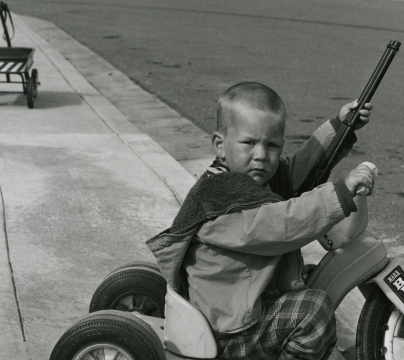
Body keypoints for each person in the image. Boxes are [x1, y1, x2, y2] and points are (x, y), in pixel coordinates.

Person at [146, 82, 375, 360]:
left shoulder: (247, 178)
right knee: (313, 310)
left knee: (313, 277)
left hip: (242, 301)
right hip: (230, 332)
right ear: (220, 144)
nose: (261, 155)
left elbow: (298, 169)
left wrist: (341, 127)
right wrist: (340, 193)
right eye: (249, 143)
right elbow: (282, 224)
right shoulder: (221, 203)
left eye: (272, 145)